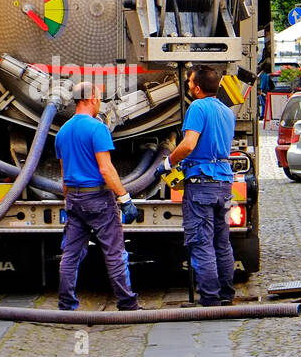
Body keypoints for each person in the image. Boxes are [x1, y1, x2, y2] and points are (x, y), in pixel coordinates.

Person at [55, 82, 141, 312]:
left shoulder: (62, 132)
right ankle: (127, 303)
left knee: (70, 255)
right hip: (99, 200)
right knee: (114, 253)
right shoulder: (97, 129)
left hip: (74, 199)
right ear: (92, 98)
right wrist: (124, 198)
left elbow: (64, 176)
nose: (100, 102)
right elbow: (106, 169)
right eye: (99, 97)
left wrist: (69, 201)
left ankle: (66, 305)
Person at [162, 65, 237, 306]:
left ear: (197, 87)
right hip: (224, 183)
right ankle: (226, 294)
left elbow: (188, 144)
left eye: (190, 82)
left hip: (201, 184)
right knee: (222, 242)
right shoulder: (227, 112)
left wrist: (167, 162)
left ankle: (209, 298)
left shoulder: (197, 107)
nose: (188, 86)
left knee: (201, 242)